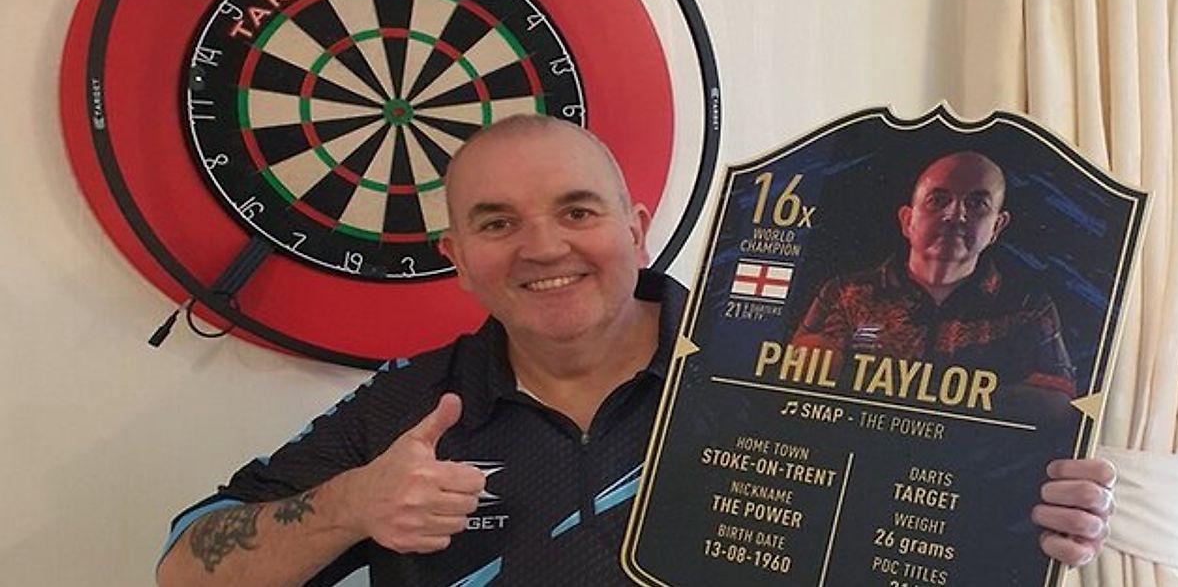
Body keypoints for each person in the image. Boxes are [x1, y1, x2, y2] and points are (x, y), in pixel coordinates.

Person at [157, 118, 1114, 586]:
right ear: (457, 258)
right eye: (497, 222)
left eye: (577, 211)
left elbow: (914, 519)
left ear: (637, 227)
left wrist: (1026, 507)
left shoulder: (778, 366)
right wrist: (351, 505)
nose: (543, 248)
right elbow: (184, 567)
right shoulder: (412, 405)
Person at [793, 151, 1078, 414]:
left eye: (977, 203)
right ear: (907, 220)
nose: (955, 215)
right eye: (938, 200)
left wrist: (947, 397)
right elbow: (797, 373)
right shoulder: (847, 294)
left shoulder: (1029, 308)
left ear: (997, 226)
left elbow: (1057, 403)